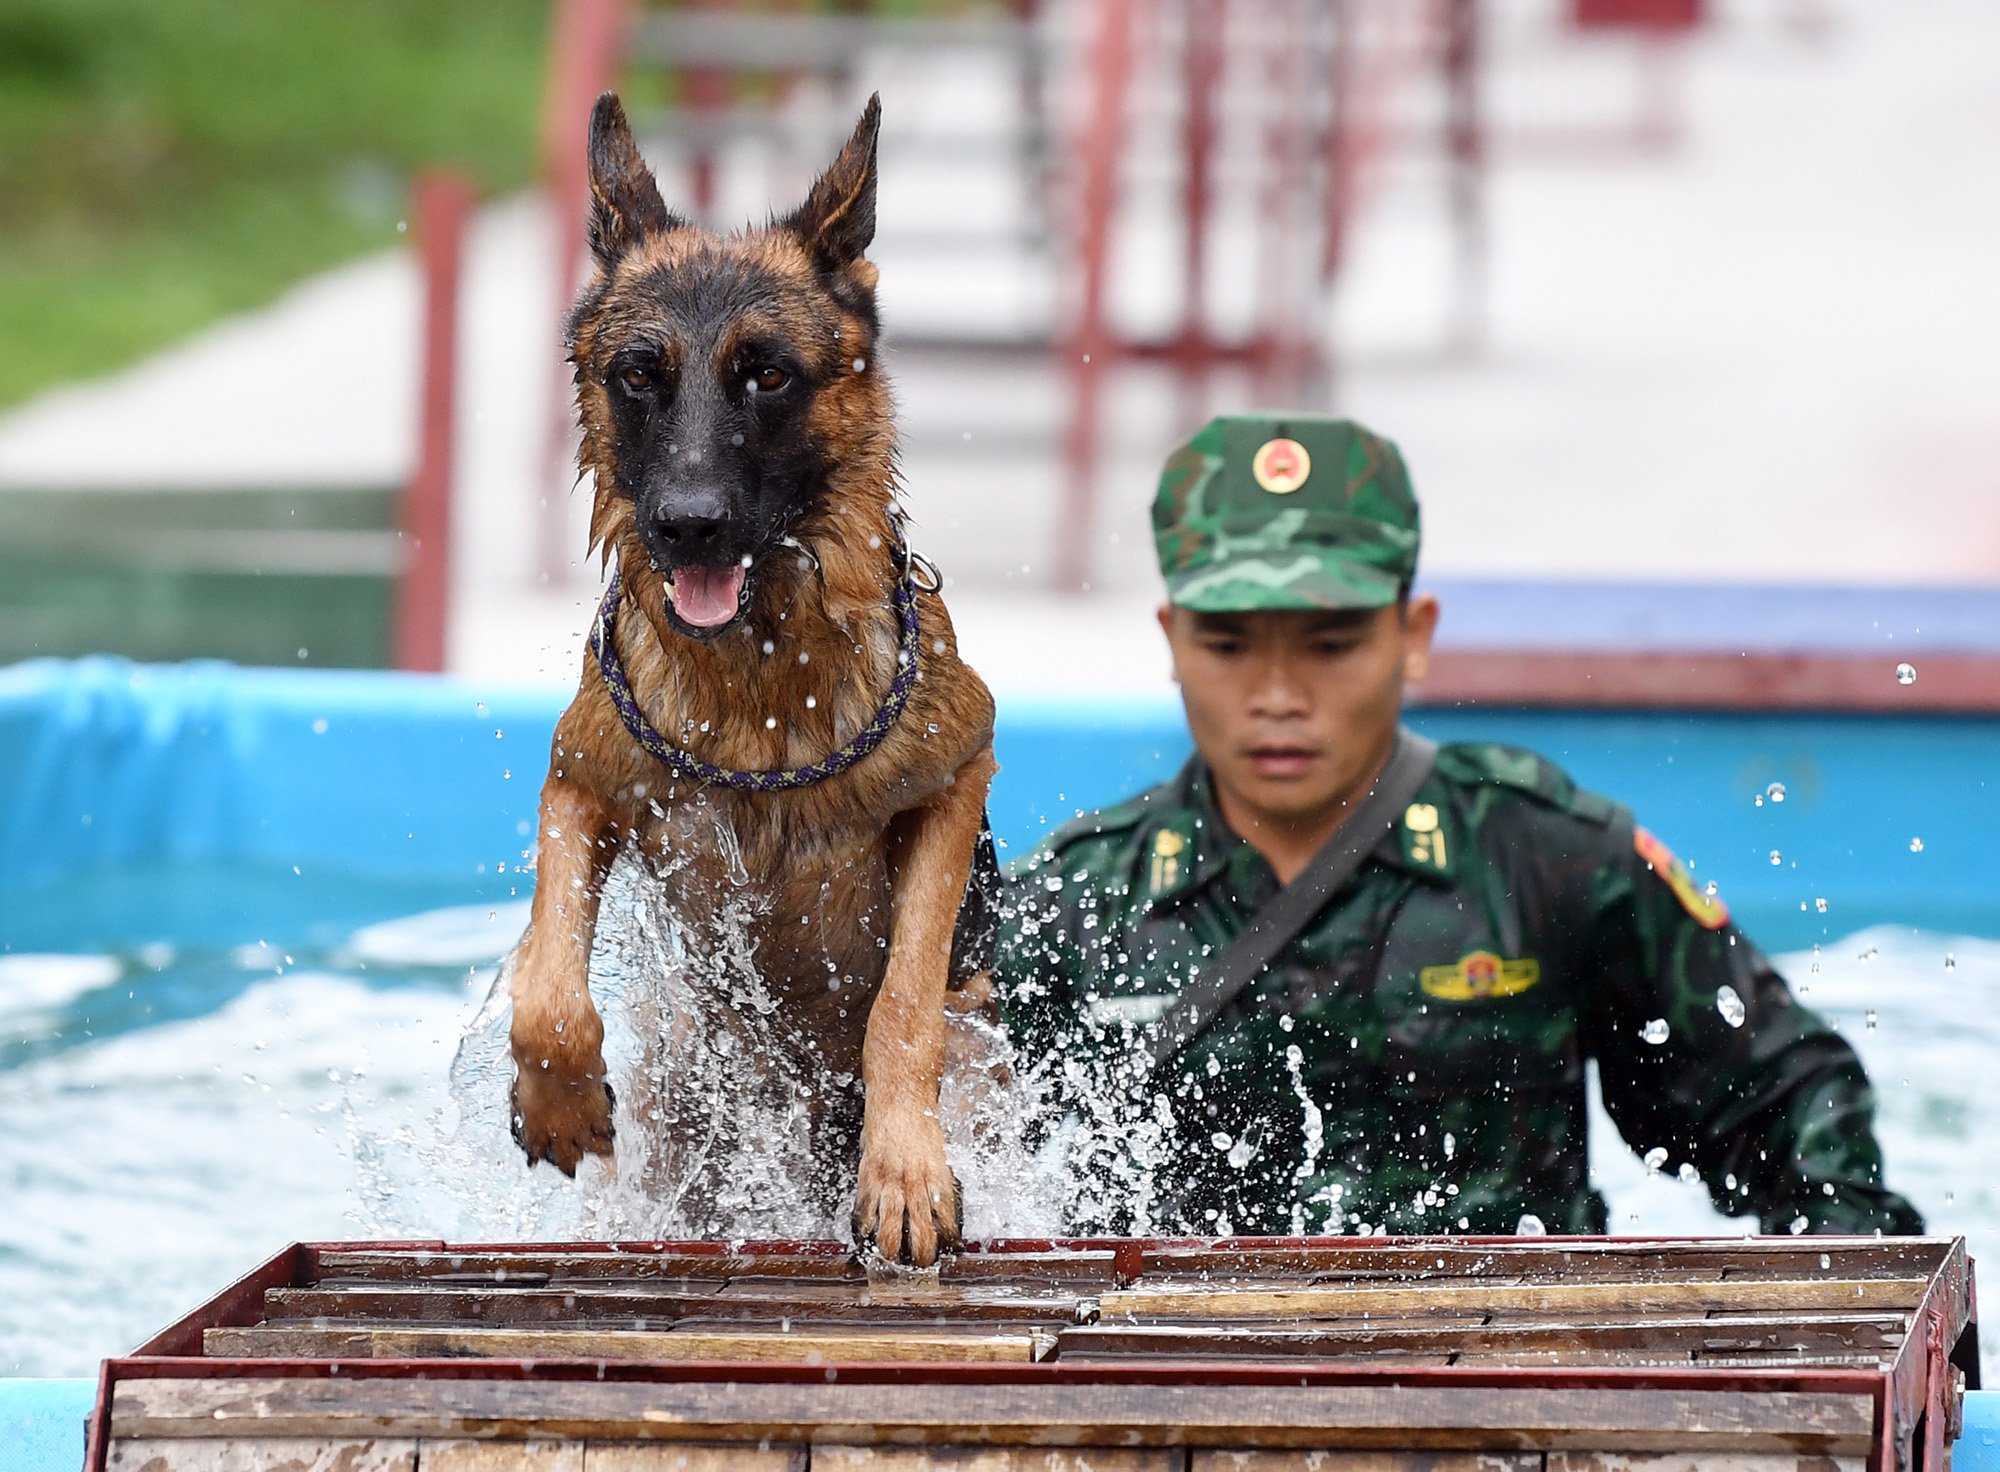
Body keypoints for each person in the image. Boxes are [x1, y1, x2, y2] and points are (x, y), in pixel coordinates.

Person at [995, 413, 1921, 1238]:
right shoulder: (1071, 908)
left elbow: (1785, 1107)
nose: (1277, 696)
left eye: (1332, 644)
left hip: (1519, 1398)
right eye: (1229, 645)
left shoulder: (1543, 856)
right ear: (1171, 640)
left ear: (1416, 635)